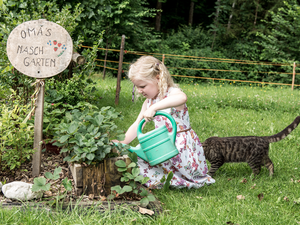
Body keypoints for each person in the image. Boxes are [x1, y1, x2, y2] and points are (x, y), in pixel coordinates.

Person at [113, 55, 215, 189]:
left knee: (158, 160)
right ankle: (168, 179)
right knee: (138, 159)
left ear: (158, 78)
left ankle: (181, 178)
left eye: (142, 86)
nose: (139, 90)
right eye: (136, 87)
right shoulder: (148, 102)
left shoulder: (172, 93)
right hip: (163, 145)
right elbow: (138, 124)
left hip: (180, 145)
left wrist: (155, 107)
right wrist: (123, 142)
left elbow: (182, 98)